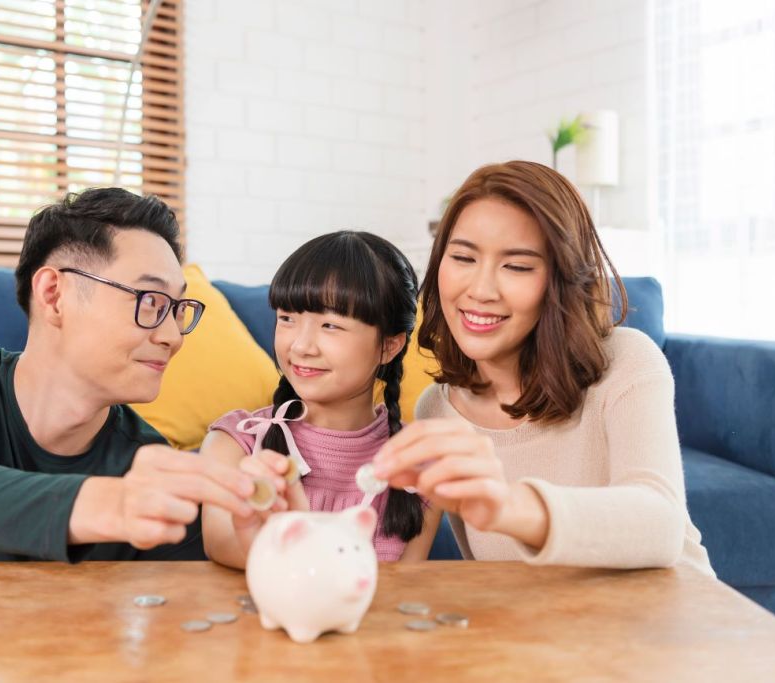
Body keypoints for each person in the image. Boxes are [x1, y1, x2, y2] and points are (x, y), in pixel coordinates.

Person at [0, 188, 257, 586]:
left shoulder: (145, 463)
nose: (173, 336)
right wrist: (110, 505)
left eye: (177, 309)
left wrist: (257, 540)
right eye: (150, 301)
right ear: (54, 295)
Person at [371, 161, 714, 574]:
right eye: (463, 257)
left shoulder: (626, 362)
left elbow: (660, 525)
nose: (480, 290)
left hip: (670, 623)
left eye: (516, 266)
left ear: (561, 279)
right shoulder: (438, 410)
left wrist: (508, 504)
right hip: (546, 632)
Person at [201, 231, 442, 567]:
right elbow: (220, 544)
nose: (300, 346)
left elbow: (407, 593)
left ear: (389, 345)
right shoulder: (235, 442)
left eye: (330, 325)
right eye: (287, 318)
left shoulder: (419, 468)